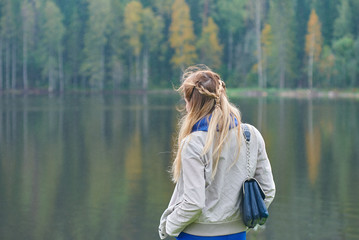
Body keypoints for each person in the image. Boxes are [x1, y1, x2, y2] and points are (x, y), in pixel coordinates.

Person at [158, 65, 275, 240]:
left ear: (193, 103)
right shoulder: (250, 135)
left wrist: (168, 227)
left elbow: (193, 203)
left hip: (195, 235)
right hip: (237, 235)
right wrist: (242, 221)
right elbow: (267, 190)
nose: (186, 107)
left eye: (186, 101)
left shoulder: (193, 143)